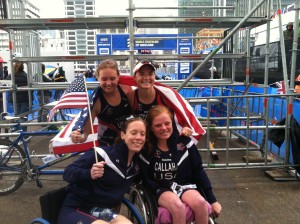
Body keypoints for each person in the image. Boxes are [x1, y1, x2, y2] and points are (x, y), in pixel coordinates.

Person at [138, 105, 222, 224]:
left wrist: (213, 200)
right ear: (150, 128)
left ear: (172, 123)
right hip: (160, 189)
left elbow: (198, 171)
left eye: (167, 123)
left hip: (183, 186)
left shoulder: (184, 142)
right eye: (158, 125)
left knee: (201, 203)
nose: (164, 128)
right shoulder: (146, 148)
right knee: (178, 207)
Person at [57, 117, 146, 224]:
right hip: (77, 208)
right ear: (123, 135)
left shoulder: (135, 166)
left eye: (142, 134)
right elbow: (68, 172)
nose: (138, 137)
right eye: (133, 133)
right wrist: (89, 173)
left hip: (102, 212)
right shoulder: (102, 154)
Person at [129, 59, 203, 138]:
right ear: (134, 77)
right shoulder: (131, 96)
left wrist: (185, 127)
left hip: (163, 141)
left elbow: (181, 115)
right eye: (142, 74)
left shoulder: (166, 95)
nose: (146, 78)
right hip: (141, 142)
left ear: (154, 76)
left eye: (150, 74)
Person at [71, 59, 133, 146]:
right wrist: (78, 136)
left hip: (129, 139)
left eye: (112, 78)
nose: (108, 83)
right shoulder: (96, 101)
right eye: (104, 79)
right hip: (108, 144)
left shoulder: (127, 90)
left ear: (118, 76)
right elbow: (85, 133)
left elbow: (137, 112)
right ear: (98, 78)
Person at [6, 62, 29, 131]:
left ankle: (16, 132)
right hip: (25, 99)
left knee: (16, 115)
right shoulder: (26, 76)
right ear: (23, 67)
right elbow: (31, 88)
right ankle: (24, 135)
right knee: (23, 117)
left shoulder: (10, 76)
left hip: (14, 99)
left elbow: (6, 86)